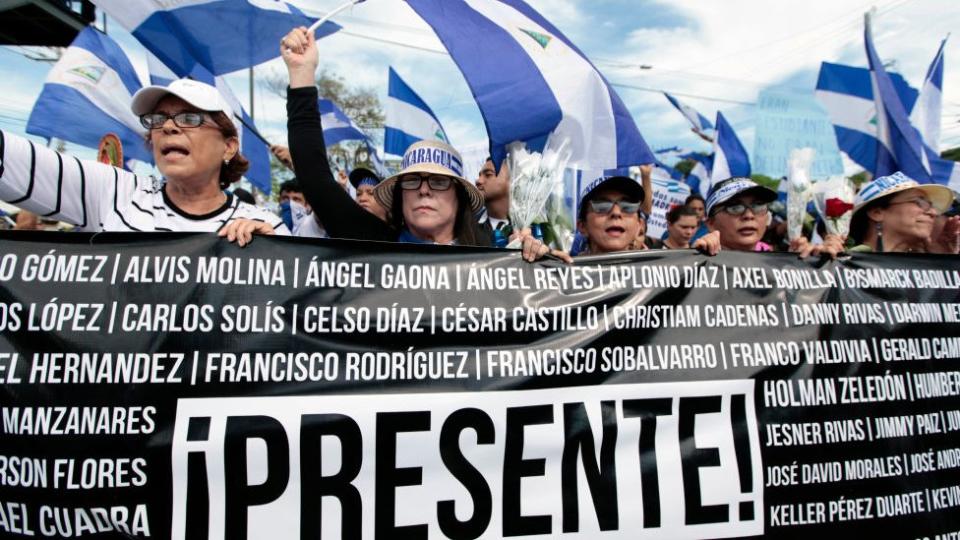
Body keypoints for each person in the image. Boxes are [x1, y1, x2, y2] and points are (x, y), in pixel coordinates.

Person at [0, 78, 286, 244]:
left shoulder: (266, 224)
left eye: (189, 118)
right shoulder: (111, 192)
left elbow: (296, 323)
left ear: (228, 147)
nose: (168, 127)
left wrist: (273, 254)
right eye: (158, 119)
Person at [282, 27, 488, 247]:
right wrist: (301, 73)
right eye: (412, 181)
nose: (424, 190)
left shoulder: (494, 258)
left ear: (459, 197)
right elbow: (314, 177)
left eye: (439, 181)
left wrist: (526, 261)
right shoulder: (373, 242)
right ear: (399, 197)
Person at [577, 175, 719, 256]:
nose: (616, 213)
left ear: (639, 225)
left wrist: (705, 257)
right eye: (602, 206)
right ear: (582, 226)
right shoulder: (562, 277)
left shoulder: (666, 272)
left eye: (628, 206)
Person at [706, 177, 842, 256]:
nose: (748, 215)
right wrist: (695, 259)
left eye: (758, 206)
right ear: (711, 223)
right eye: (735, 207)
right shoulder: (693, 268)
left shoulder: (786, 265)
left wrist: (817, 265)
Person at [848, 171, 959, 253]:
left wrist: (943, 260)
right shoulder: (843, 268)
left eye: (930, 205)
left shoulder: (926, 264)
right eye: (919, 202)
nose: (933, 213)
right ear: (877, 213)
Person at [476, 157, 512, 242]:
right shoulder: (466, 226)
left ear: (512, 180)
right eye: (479, 175)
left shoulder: (534, 227)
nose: (478, 181)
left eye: (488, 175)